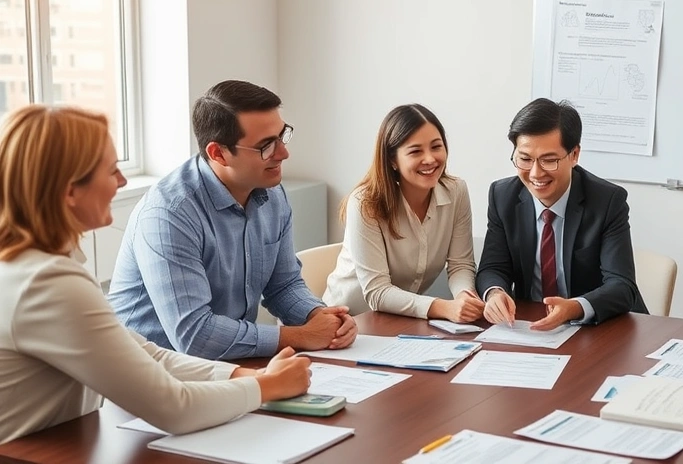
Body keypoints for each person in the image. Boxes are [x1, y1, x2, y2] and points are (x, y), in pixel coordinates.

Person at [0, 106, 313, 444]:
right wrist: (265, 386)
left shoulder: (40, 266)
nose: (122, 181)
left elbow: (147, 355)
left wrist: (241, 374)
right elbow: (174, 409)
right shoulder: (48, 283)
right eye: (111, 170)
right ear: (70, 191)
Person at [108, 80, 356, 360]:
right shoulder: (169, 213)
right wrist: (301, 336)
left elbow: (283, 285)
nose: (283, 153)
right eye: (266, 146)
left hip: (222, 365)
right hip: (148, 370)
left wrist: (321, 316)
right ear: (218, 153)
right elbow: (195, 335)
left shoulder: (272, 195)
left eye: (282, 136)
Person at [476, 98, 648, 331]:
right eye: (525, 159)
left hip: (599, 328)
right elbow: (492, 267)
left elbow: (622, 286)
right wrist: (495, 293)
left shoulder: (607, 201)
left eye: (549, 160)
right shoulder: (502, 196)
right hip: (531, 326)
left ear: (574, 154)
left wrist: (575, 307)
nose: (536, 173)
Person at [322, 104, 483, 322]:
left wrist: (465, 298)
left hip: (400, 320)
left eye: (436, 146)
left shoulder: (456, 191)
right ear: (392, 160)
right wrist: (444, 308)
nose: (430, 159)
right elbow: (377, 292)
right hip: (346, 320)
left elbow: (460, 264)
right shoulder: (365, 203)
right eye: (416, 151)